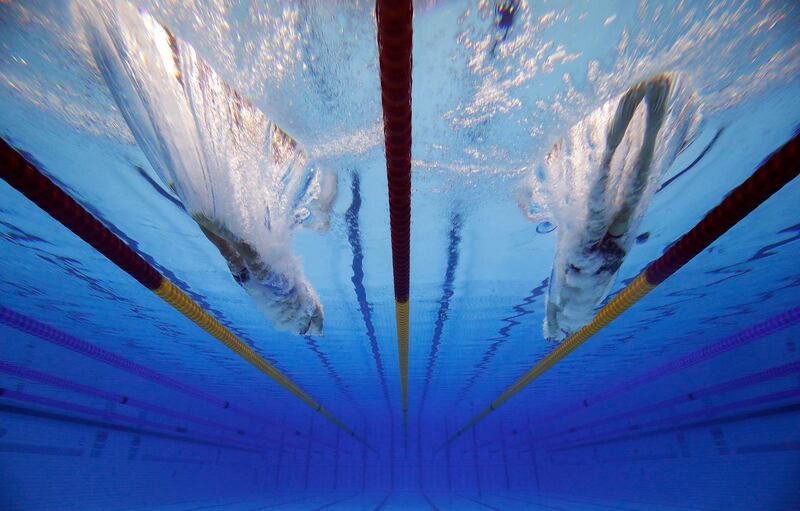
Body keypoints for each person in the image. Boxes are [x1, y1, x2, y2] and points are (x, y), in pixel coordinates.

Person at [543, 73, 690, 341]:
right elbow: (553, 295)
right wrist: (550, 327)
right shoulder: (556, 318)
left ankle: (651, 129)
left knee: (629, 201)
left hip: (606, 262)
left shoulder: (587, 316)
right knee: (603, 178)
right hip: (582, 260)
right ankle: (627, 116)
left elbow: (603, 286)